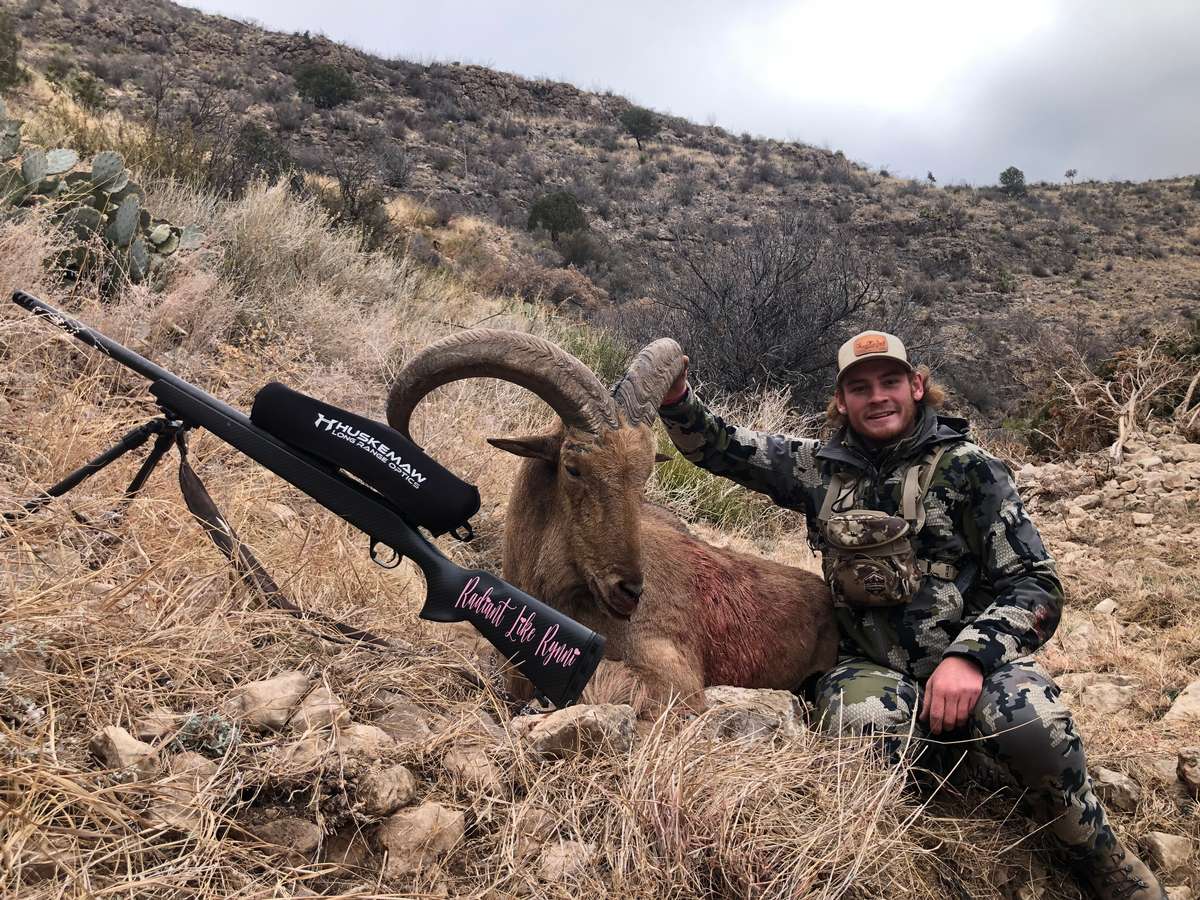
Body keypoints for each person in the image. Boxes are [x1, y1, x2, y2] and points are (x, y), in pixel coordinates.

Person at [657, 330, 1166, 900]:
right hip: (868, 665)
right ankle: (917, 831)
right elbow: (722, 447)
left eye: (890, 381)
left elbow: (1035, 585)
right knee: (861, 730)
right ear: (841, 401)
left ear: (917, 387)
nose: (877, 397)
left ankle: (1095, 851)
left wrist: (969, 659)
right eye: (860, 387)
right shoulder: (816, 468)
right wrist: (676, 399)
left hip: (975, 669)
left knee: (1033, 720)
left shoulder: (972, 470)